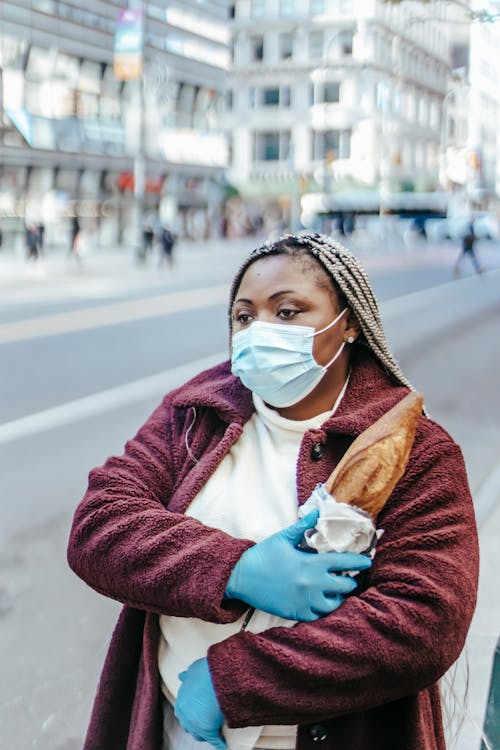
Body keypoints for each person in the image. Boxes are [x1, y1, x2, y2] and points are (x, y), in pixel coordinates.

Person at [67, 232, 479, 750]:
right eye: (244, 316)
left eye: (287, 312)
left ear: (348, 321)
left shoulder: (415, 449)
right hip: (176, 729)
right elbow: (99, 524)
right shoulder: (194, 415)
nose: (259, 330)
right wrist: (236, 570)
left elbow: (424, 624)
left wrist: (233, 681)